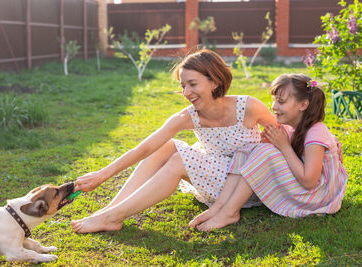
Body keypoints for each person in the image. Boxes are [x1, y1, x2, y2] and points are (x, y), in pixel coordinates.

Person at [70, 49, 277, 234]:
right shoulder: (187, 116)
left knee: (179, 160)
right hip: (215, 176)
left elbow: (282, 137)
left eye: (193, 84)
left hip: (245, 184)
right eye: (183, 85)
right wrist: (102, 174)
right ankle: (109, 212)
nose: (186, 93)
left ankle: (112, 218)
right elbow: (145, 148)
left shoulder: (249, 106)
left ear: (214, 81)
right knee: (166, 146)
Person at [189, 73, 348, 232]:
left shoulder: (316, 132)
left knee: (264, 152)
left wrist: (283, 146)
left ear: (303, 105)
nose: (274, 107)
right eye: (274, 100)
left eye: (281, 101)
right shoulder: (289, 127)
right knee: (249, 148)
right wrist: (269, 144)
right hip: (304, 188)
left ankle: (230, 212)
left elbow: (309, 182)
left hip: (317, 197)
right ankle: (219, 206)